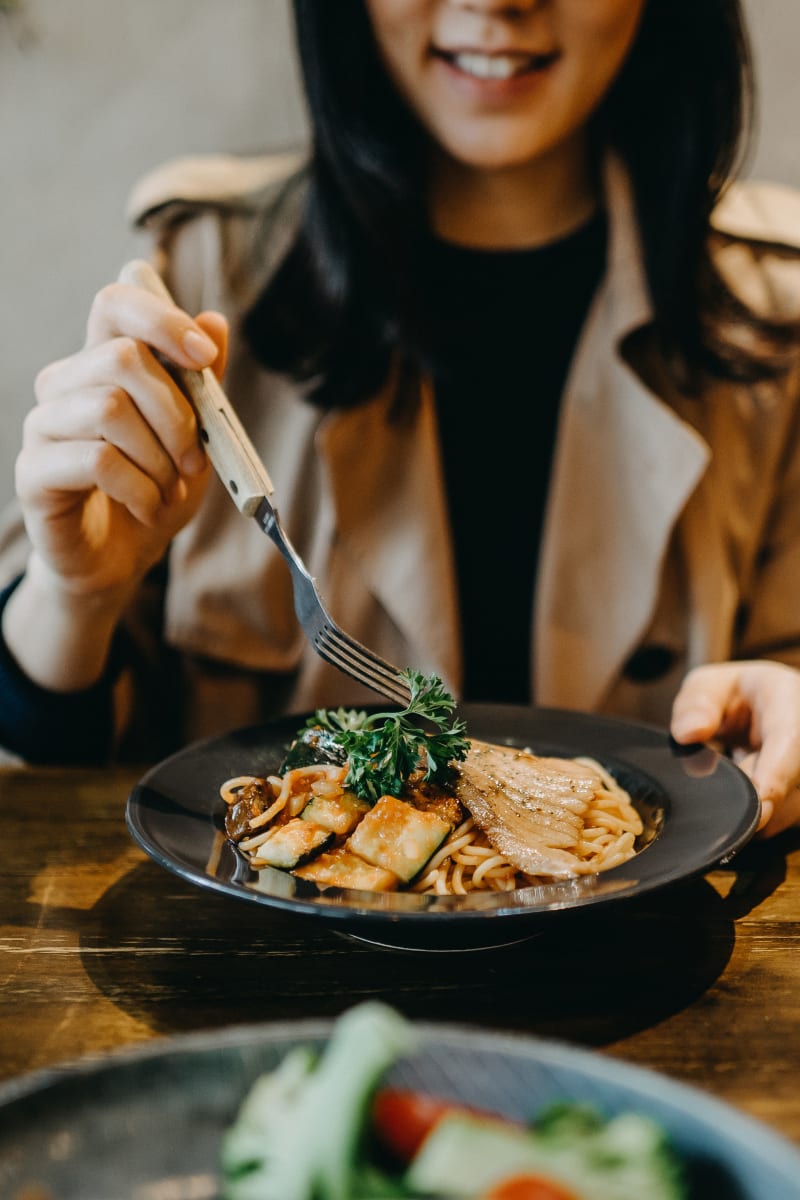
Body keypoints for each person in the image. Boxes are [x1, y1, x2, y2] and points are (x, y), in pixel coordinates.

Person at [2, 0, 800, 836]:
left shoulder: (768, 318)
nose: (496, 4)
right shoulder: (206, 275)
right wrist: (74, 596)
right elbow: (45, 778)